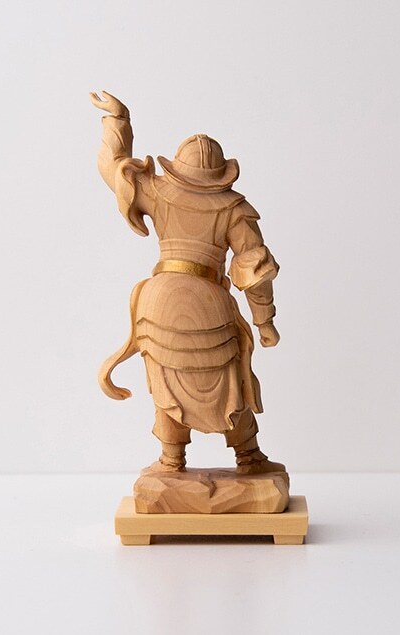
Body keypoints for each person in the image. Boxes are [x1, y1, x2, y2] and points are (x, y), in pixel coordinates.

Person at [90, 91, 285, 474]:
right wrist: (265, 323)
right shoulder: (235, 210)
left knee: (167, 379)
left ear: (178, 169)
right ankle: (247, 456)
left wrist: (118, 121)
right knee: (231, 380)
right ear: (222, 176)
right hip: (209, 303)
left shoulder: (158, 191)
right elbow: (254, 271)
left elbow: (112, 168)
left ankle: (171, 459)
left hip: (157, 301)